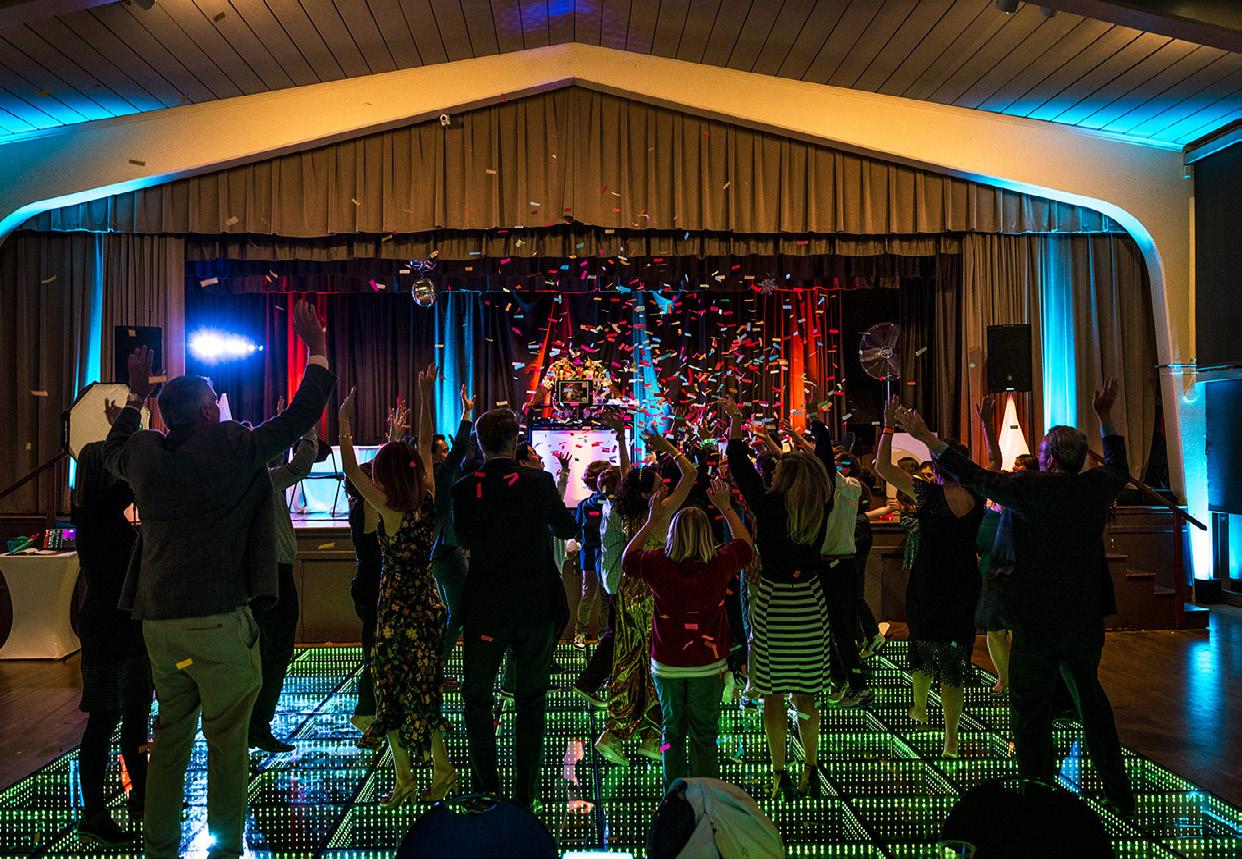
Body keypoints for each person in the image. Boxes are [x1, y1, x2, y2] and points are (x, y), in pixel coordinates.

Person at [104, 300, 335, 859]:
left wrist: (135, 396)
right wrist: (316, 349)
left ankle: (160, 847)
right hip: (218, 619)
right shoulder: (232, 448)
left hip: (159, 623)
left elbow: (111, 450)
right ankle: (225, 850)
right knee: (228, 744)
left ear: (166, 417)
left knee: (170, 740)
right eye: (214, 400)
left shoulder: (145, 455)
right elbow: (301, 415)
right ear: (209, 412)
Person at [893, 379, 1136, 816]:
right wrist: (1105, 416)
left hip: (1036, 618)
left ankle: (1037, 795)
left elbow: (974, 476)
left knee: (1029, 711)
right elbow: (1119, 465)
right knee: (1092, 704)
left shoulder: (1030, 489)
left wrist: (928, 437)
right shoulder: (1096, 487)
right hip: (1084, 616)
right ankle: (1120, 796)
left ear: (1047, 459)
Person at [721, 398, 852, 804]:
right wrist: (820, 429)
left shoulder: (769, 504)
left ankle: (779, 771)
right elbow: (825, 464)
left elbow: (738, 464)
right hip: (810, 600)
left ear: (784, 477)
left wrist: (736, 423)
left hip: (773, 600)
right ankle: (810, 766)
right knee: (807, 692)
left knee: (773, 693)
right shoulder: (821, 503)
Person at [451, 408, 579, 810]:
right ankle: (526, 795)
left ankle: (485, 790)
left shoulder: (463, 487)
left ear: (479, 442)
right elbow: (566, 528)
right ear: (514, 441)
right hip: (535, 604)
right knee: (531, 700)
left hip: (486, 605)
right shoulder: (537, 482)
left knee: (477, 699)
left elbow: (463, 537)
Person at [339, 371, 456, 806]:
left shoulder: (386, 508)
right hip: (427, 603)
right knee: (426, 692)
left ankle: (405, 779)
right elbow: (424, 443)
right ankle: (442, 771)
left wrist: (344, 423)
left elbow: (351, 468)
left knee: (390, 693)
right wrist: (426, 395)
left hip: (395, 608)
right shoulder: (426, 498)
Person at [622, 478, 753, 789]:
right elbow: (746, 546)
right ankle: (705, 795)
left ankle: (674, 793)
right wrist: (727, 509)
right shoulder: (720, 563)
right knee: (704, 735)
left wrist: (651, 520)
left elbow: (628, 559)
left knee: (672, 732)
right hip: (708, 664)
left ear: (672, 533)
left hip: (667, 663)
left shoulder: (657, 564)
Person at [876, 396, 985, 758]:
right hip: (964, 582)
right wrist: (986, 426)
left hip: (928, 581)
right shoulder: (977, 495)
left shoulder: (927, 493)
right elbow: (996, 464)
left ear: (936, 465)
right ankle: (951, 739)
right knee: (954, 664)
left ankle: (920, 706)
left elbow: (882, 467)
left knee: (922, 644)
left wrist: (889, 427)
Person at [71, 401, 150, 846]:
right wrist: (132, 413)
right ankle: (96, 811)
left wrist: (121, 431)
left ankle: (139, 794)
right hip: (109, 628)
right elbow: (129, 480)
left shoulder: (95, 515)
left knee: (132, 713)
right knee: (106, 719)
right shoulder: (97, 515)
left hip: (119, 625)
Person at [595, 434, 697, 767]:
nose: (665, 486)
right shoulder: (661, 510)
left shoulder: (625, 509)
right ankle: (652, 735)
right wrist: (668, 448)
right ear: (648, 493)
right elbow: (691, 474)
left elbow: (628, 475)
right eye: (659, 484)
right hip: (654, 590)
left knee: (629, 657)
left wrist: (622, 439)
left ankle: (616, 731)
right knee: (655, 659)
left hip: (628, 589)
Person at [249, 420, 320, 753]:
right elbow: (300, 466)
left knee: (264, 651)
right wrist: (307, 427)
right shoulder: (260, 479)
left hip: (258, 573)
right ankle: (257, 725)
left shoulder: (245, 477)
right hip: (274, 573)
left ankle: (251, 723)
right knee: (277, 651)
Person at [428, 387, 475, 676]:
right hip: (446, 548)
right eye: (443, 451)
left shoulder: (422, 477)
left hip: (437, 549)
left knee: (453, 612)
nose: (448, 455)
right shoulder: (441, 474)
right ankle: (437, 667)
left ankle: (436, 666)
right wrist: (467, 414)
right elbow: (459, 454)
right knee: (458, 612)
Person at [345, 460, 382, 729]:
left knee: (375, 650)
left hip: (366, 585)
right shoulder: (367, 509)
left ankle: (370, 708)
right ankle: (366, 709)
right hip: (371, 588)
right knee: (374, 652)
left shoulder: (362, 507)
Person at [573, 460, 612, 649]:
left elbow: (577, 530)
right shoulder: (594, 504)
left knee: (595, 594)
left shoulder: (589, 504)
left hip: (598, 553)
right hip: (595, 553)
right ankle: (589, 633)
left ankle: (592, 633)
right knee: (596, 595)